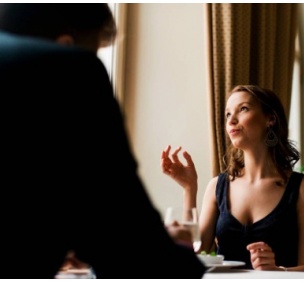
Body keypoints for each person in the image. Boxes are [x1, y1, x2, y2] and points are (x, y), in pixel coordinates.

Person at [0, 4, 205, 279]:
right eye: (95, 52)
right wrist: (174, 244)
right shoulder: (70, 71)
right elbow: (136, 259)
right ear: (66, 45)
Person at [161, 85, 304, 271]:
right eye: (228, 114)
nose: (232, 120)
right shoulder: (217, 186)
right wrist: (190, 188)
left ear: (270, 119)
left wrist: (278, 271)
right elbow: (195, 253)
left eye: (243, 109)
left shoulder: (303, 188)